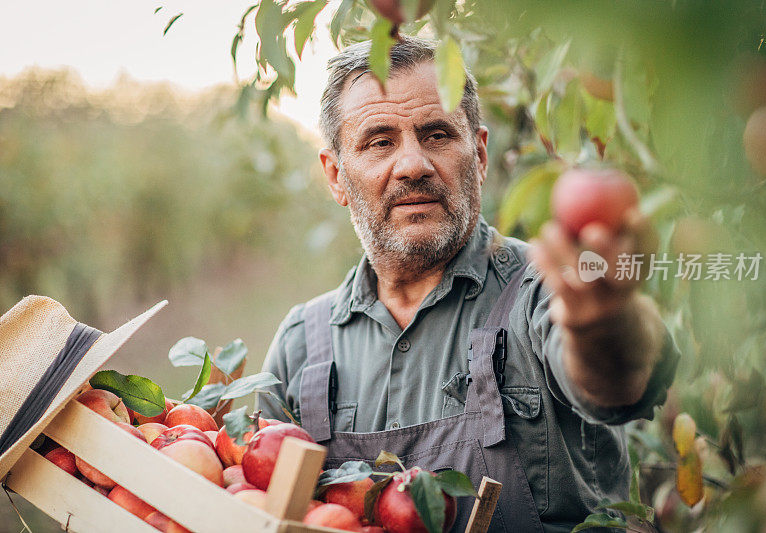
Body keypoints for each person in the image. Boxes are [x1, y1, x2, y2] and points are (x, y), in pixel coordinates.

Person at [257, 36, 679, 532]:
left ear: (478, 156)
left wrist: (600, 325)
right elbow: (264, 509)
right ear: (335, 176)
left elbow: (617, 382)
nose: (413, 164)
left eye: (437, 134)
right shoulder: (300, 347)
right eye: (380, 142)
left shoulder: (544, 290)